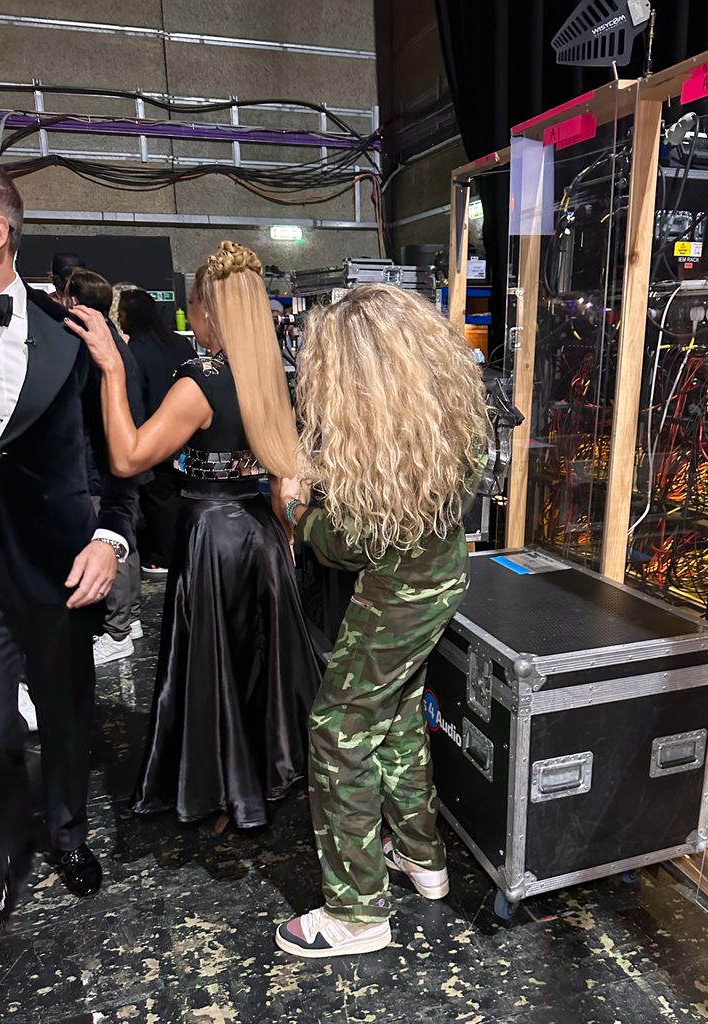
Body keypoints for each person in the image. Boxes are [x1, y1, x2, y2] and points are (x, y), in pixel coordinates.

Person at [67, 241, 321, 831]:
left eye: (194, 307)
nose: (191, 318)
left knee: (217, 669)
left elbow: (128, 457)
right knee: (253, 664)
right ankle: (262, 776)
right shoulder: (270, 377)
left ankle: (224, 791)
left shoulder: (200, 381)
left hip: (214, 536)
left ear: (208, 309)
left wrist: (110, 369)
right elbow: (285, 471)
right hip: (261, 534)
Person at [273, 284, 489, 959]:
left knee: (338, 732)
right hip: (441, 582)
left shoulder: (386, 442)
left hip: (395, 598)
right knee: (395, 717)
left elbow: (352, 544)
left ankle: (356, 911)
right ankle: (422, 861)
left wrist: (295, 513)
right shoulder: (445, 417)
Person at [0, 167, 139, 900]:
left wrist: (110, 542)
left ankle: (67, 836)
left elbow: (120, 464)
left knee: (66, 715)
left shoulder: (78, 339)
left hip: (57, 567)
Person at [63, 268, 147, 665]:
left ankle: (119, 630)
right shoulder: (116, 341)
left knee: (111, 541)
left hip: (104, 461)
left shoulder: (98, 347)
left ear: (73, 301)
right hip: (114, 457)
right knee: (119, 539)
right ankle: (125, 623)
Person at [118, 288, 195, 572]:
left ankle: (164, 556)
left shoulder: (134, 352)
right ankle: (183, 550)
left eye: (122, 313)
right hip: (191, 434)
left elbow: (135, 400)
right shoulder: (179, 343)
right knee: (182, 494)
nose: (119, 319)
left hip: (154, 434)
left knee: (158, 497)